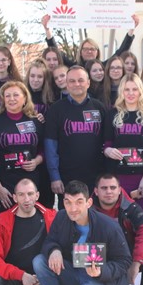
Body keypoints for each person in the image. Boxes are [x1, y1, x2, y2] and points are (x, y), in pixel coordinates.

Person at [33, 180, 132, 285]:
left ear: (89, 202)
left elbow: (124, 261)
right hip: (74, 272)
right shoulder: (61, 217)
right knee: (40, 262)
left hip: (103, 280)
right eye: (68, 202)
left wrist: (101, 271)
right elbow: (50, 241)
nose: (73, 209)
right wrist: (54, 250)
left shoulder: (108, 226)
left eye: (79, 202)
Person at [93, 174, 143, 285]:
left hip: (126, 251)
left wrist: (136, 262)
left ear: (119, 190)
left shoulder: (131, 207)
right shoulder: (88, 208)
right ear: (96, 191)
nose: (109, 191)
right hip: (100, 251)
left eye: (112, 188)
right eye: (104, 188)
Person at [0, 81, 47, 214]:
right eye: (7, 96)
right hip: (5, 186)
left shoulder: (36, 122)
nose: (11, 99)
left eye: (16, 95)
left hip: (31, 185)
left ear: (25, 98)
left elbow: (44, 149)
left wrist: (37, 161)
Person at [103, 74, 143, 216]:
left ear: (140, 91)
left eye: (134, 89)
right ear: (121, 91)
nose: (130, 93)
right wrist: (108, 151)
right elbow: (106, 144)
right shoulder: (112, 114)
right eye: (126, 89)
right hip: (118, 177)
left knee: (141, 219)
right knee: (119, 219)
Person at [44, 65, 106, 196]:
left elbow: (107, 142)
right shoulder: (56, 110)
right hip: (67, 177)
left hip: (96, 177)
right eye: (72, 81)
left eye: (81, 80)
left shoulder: (99, 107)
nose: (77, 84)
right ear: (66, 84)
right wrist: (55, 177)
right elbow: (50, 146)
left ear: (88, 83)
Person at [41, 13, 138, 65]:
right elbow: (57, 53)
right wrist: (47, 30)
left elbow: (121, 52)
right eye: (85, 49)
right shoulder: (73, 67)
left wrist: (131, 29)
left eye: (92, 49)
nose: (89, 51)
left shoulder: (104, 67)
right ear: (80, 52)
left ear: (97, 52)